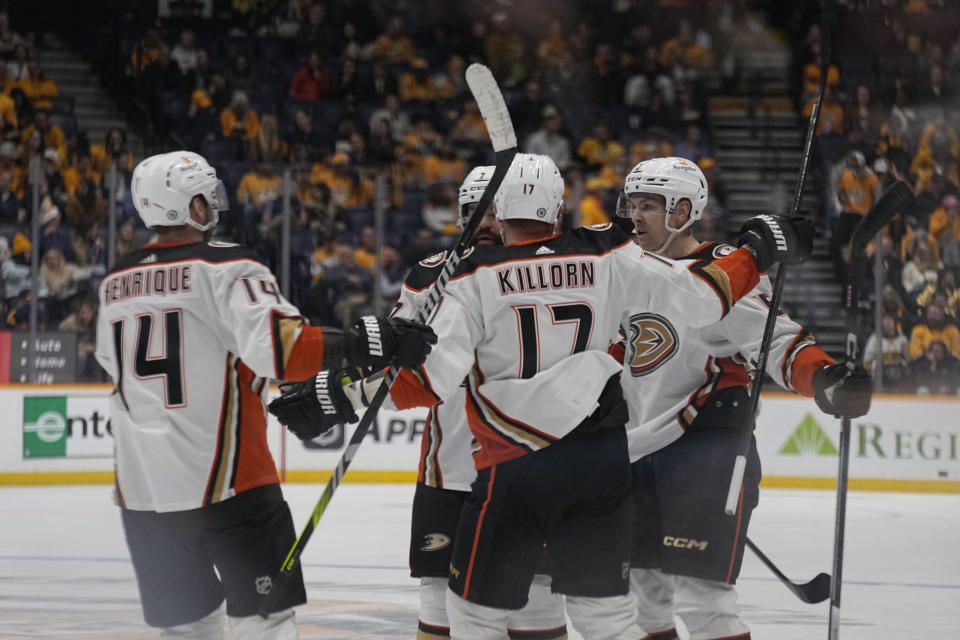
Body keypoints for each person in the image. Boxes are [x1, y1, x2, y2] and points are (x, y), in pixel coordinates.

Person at [268, 154, 814, 639]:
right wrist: (756, 251)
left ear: (500, 211)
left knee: (475, 612)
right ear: (560, 210)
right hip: (596, 462)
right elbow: (698, 298)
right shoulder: (607, 252)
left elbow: (424, 379)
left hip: (511, 460)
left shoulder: (469, 278)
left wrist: (339, 394)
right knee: (603, 615)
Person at [92, 151, 436, 640]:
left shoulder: (113, 283)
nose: (213, 204)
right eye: (205, 196)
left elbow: (114, 368)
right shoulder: (226, 266)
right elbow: (285, 351)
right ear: (190, 207)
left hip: (143, 490)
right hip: (230, 483)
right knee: (264, 623)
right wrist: (369, 341)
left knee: (186, 629)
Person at [611, 157, 872, 640]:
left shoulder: (724, 270)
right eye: (632, 204)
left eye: (649, 205)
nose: (635, 216)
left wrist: (824, 378)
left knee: (703, 599)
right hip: (632, 451)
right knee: (641, 597)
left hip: (703, 448)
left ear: (683, 210)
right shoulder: (621, 266)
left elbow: (775, 340)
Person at [393, 166, 567, 640]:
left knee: (539, 597)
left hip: (531, 461)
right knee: (439, 596)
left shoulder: (549, 273)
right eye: (474, 212)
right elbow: (397, 364)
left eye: (495, 210)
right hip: (451, 468)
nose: (485, 222)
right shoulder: (428, 276)